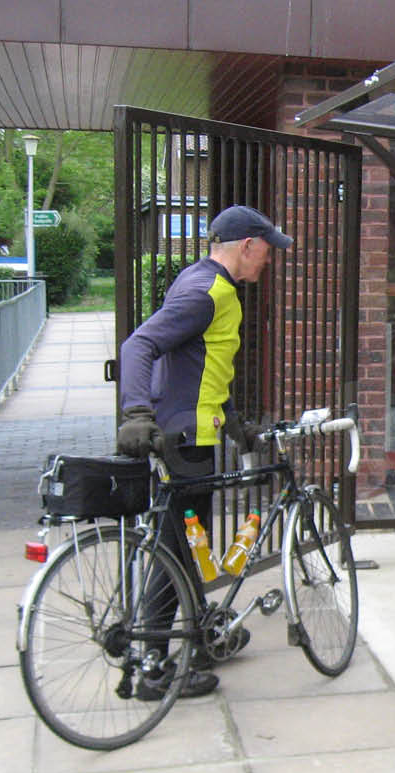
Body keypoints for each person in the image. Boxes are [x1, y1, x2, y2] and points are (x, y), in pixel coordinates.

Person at [115, 205, 293, 700]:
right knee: (175, 551)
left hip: (199, 433)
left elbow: (203, 363)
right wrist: (136, 414)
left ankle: (200, 636)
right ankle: (154, 667)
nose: (269, 261)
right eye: (267, 251)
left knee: (187, 547)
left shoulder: (203, 282)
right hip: (184, 440)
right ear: (247, 246)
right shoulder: (207, 291)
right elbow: (139, 346)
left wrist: (236, 425)